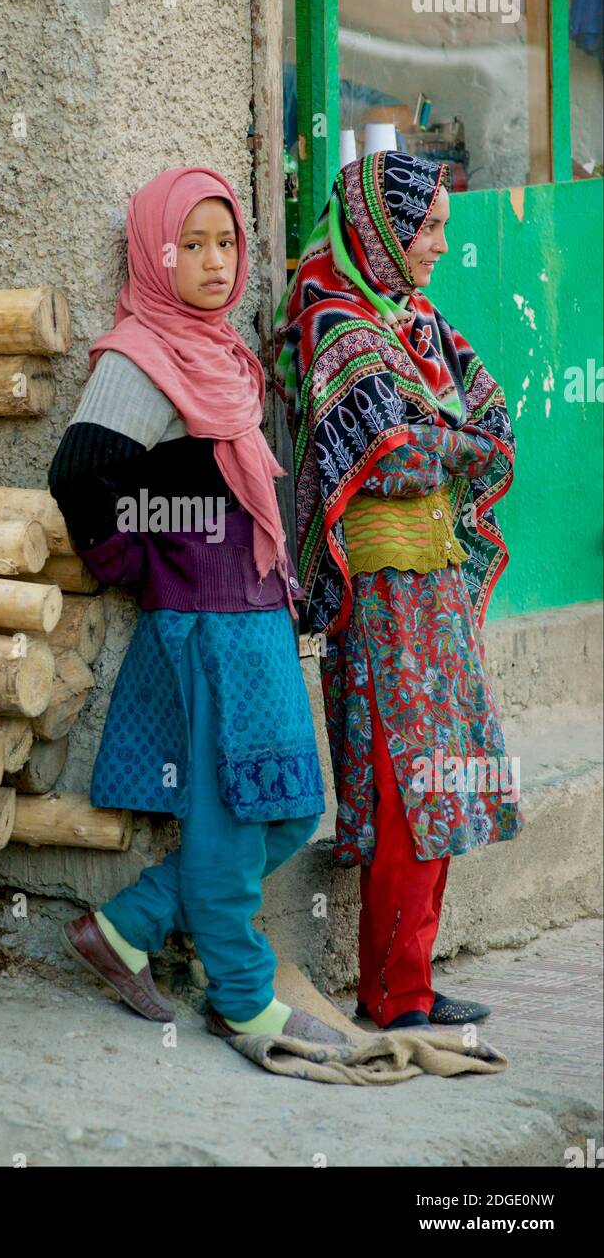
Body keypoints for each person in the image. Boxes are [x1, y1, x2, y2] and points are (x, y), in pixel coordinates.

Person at [48, 165, 346, 1045]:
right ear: (154, 252)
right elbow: (77, 474)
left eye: (227, 243)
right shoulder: (142, 357)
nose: (215, 262)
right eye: (192, 244)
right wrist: (131, 558)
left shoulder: (219, 353)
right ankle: (243, 993)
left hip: (252, 616)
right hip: (206, 623)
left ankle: (126, 927)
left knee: (287, 808)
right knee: (228, 809)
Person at [273, 150, 524, 1031]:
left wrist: (443, 435)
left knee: (444, 785)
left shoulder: (412, 323)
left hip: (436, 586)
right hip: (382, 596)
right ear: (380, 231)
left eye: (444, 228)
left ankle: (410, 983)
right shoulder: (338, 326)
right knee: (402, 789)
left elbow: (493, 419)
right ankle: (390, 996)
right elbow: (394, 459)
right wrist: (447, 438)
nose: (441, 247)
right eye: (427, 229)